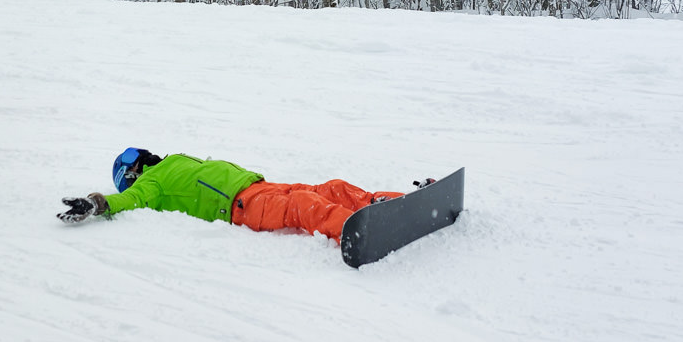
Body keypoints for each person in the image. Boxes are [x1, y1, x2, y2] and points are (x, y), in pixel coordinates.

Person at [57, 148, 423, 241]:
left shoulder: (169, 162)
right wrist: (98, 202)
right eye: (136, 159)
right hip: (241, 205)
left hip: (257, 186)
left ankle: (389, 202)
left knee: (332, 187)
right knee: (304, 206)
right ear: (131, 174)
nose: (146, 156)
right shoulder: (149, 185)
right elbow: (127, 201)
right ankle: (357, 228)